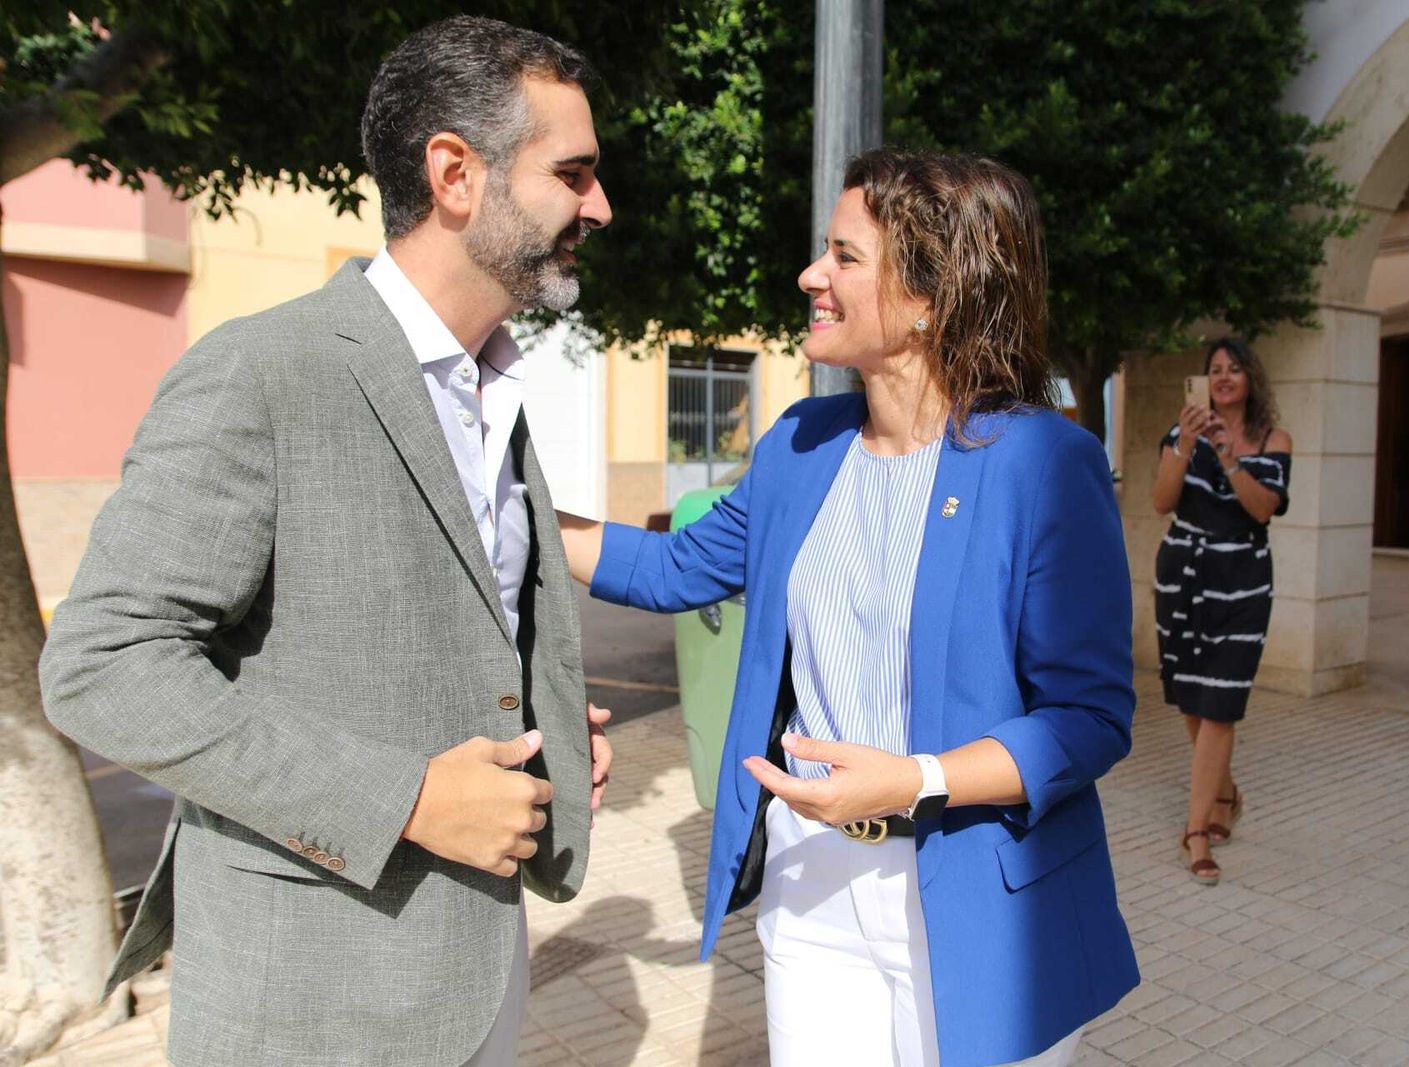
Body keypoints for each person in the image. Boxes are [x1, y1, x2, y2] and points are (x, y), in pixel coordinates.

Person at [40, 17, 614, 1066]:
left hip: (475, 972)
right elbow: (100, 665)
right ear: (455, 173)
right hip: (314, 1000)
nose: (600, 206)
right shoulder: (265, 371)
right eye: (572, 173)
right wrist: (407, 799)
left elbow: (444, 631)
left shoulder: (495, 387)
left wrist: (549, 733)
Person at [560, 148, 1138, 1067]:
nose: (811, 275)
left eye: (845, 256)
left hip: (979, 896)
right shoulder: (800, 444)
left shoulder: (1043, 465)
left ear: (931, 295)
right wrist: (503, 504)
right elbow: (673, 568)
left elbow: (1090, 719)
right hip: (812, 882)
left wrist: (914, 778)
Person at [1150, 338, 1293, 885]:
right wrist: (1187, 443)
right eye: (1215, 370)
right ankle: (1226, 792)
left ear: (1251, 379)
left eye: (1235, 369)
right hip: (1184, 575)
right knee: (1192, 698)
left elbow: (1262, 508)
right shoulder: (1179, 434)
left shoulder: (1273, 439)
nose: (1226, 377)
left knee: (1220, 706)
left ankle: (1196, 831)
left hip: (1242, 583)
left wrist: (1229, 456)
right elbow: (1161, 502)